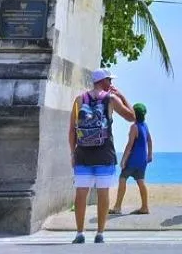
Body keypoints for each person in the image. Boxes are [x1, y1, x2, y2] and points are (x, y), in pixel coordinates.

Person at [70, 69, 138, 244]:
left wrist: (72, 153)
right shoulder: (111, 99)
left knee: (80, 194)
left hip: (82, 154)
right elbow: (132, 117)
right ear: (104, 81)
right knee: (103, 193)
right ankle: (100, 233)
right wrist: (121, 95)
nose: (111, 83)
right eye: (110, 80)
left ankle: (79, 233)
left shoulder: (79, 99)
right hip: (104, 153)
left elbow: (72, 130)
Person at [113, 102, 152, 216]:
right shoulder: (145, 125)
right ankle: (145, 207)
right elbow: (149, 140)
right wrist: (150, 155)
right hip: (142, 160)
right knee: (141, 182)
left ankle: (117, 207)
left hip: (133, 160)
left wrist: (123, 159)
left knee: (122, 179)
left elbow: (129, 145)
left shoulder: (134, 127)